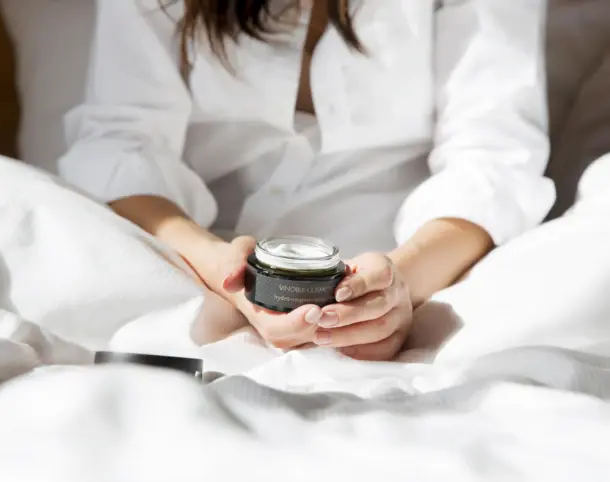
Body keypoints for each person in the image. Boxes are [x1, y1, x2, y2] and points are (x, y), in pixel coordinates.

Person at [59, 0, 555, 360]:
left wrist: (396, 290)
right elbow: (121, 141)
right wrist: (221, 269)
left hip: (412, 271)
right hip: (194, 263)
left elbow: (492, 158)